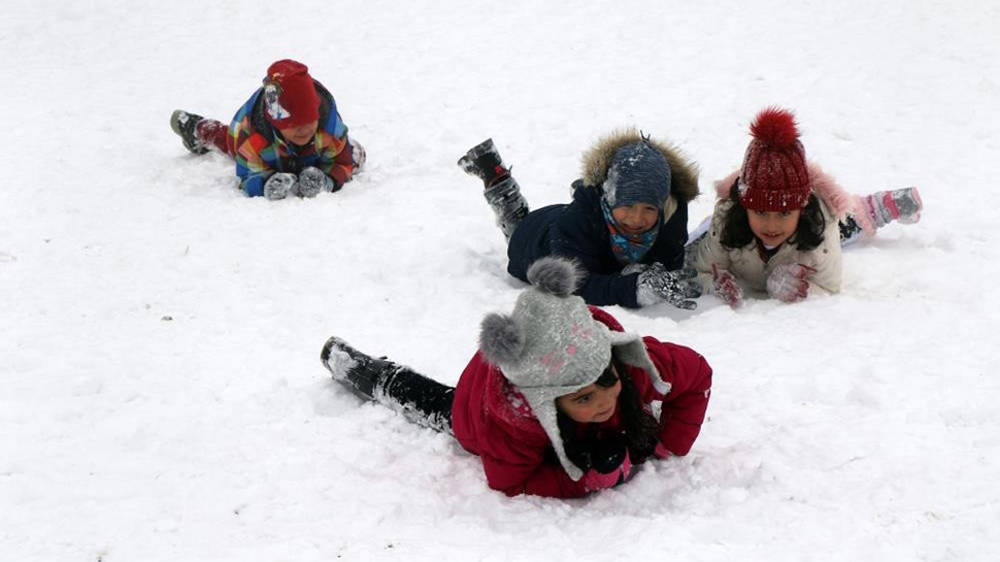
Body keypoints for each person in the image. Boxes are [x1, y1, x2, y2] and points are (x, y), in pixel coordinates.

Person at [320, 257, 713, 498]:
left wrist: (668, 444)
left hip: (543, 354)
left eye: (605, 383)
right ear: (547, 402)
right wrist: (583, 481)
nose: (603, 402)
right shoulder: (514, 422)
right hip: (478, 406)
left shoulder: (628, 363)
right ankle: (361, 370)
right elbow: (510, 482)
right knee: (436, 404)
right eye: (581, 399)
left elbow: (697, 376)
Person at [686, 107, 923, 306]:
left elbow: (830, 287)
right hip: (735, 228)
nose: (771, 225)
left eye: (784, 213)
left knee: (845, 224)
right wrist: (715, 285)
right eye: (759, 211)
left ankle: (873, 208)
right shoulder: (726, 221)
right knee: (699, 240)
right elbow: (700, 271)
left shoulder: (820, 226)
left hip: (809, 231)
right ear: (744, 206)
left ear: (801, 207)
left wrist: (800, 288)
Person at [457, 130, 703, 310]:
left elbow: (669, 261)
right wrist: (633, 288)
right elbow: (574, 286)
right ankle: (496, 178)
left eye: (649, 208)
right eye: (627, 205)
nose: (637, 218)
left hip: (581, 228)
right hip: (535, 240)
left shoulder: (671, 212)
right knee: (516, 224)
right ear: (609, 198)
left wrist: (650, 274)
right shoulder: (575, 223)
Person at [169, 59, 365, 200]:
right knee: (229, 142)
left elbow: (344, 163)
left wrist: (328, 181)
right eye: (294, 125)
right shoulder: (254, 139)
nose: (304, 130)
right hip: (261, 146)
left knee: (354, 154)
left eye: (309, 121)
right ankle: (198, 129)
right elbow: (246, 176)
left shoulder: (329, 130)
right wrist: (264, 184)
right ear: (277, 123)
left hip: (313, 152)